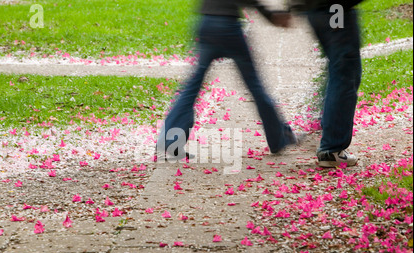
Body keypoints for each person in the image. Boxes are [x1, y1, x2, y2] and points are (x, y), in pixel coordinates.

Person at [156, 0, 300, 161]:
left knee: (191, 88)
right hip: (228, 28)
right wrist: (272, 16)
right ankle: (279, 138)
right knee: (255, 85)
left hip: (206, 24)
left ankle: (171, 140)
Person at [291, 0, 363, 167]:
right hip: (335, 8)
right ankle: (332, 149)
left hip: (319, 8)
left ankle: (329, 129)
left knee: (339, 68)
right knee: (344, 71)